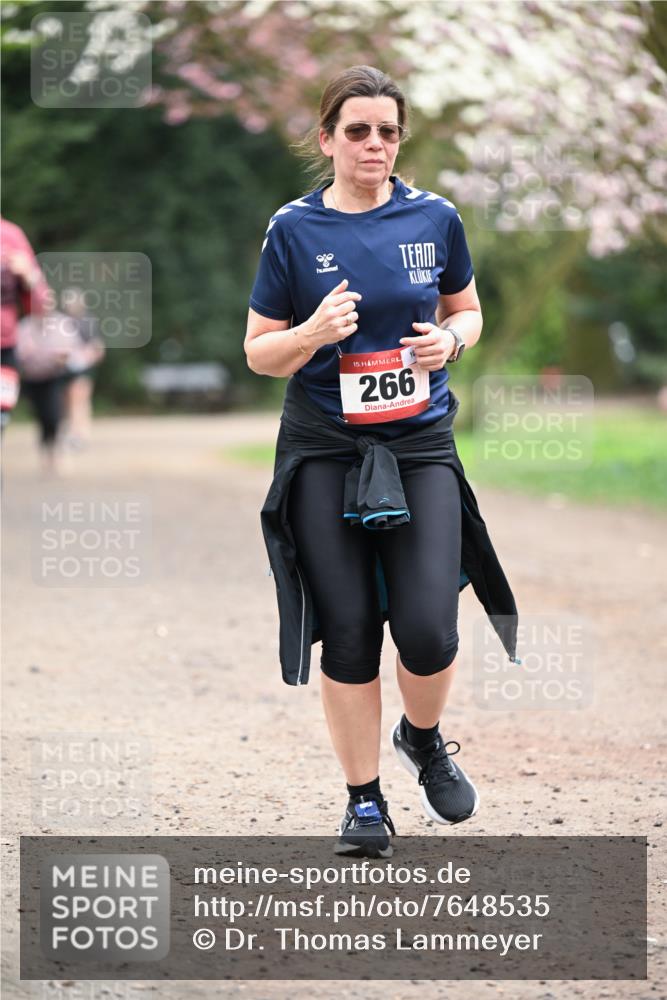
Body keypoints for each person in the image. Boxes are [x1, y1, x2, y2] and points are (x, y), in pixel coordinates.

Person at [245, 66, 519, 859]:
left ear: (400, 140)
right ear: (327, 138)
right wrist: (310, 336)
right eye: (357, 130)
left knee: (430, 629)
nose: (373, 144)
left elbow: (464, 309)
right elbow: (259, 353)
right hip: (326, 449)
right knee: (352, 634)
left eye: (387, 131)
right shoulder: (292, 230)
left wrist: (451, 342)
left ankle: (422, 738)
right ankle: (363, 802)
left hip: (418, 445)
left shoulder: (434, 218)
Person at [0, 217, 50, 431]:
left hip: (4, 347)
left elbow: (41, 305)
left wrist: (29, 277)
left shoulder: (11, 235)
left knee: (1, 415)